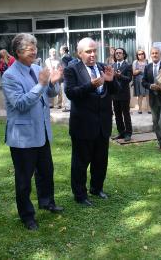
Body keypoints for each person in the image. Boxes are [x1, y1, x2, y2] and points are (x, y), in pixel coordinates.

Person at [2, 33, 64, 231]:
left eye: (35, 47)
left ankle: (47, 201)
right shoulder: (9, 75)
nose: (35, 51)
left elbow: (50, 94)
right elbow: (20, 104)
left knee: (46, 172)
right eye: (30, 48)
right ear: (19, 52)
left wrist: (54, 82)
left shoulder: (37, 68)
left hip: (42, 132)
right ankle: (27, 215)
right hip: (22, 138)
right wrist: (42, 84)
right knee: (24, 179)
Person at [64, 37, 119, 206]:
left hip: (102, 125)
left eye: (94, 50)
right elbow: (70, 93)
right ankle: (80, 195)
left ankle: (97, 188)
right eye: (88, 51)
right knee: (80, 163)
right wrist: (91, 85)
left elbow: (115, 91)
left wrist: (111, 81)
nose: (93, 54)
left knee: (100, 160)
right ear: (80, 53)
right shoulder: (72, 69)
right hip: (83, 126)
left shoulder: (103, 67)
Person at [142, 47, 161, 151]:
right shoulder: (147, 67)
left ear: (160, 55)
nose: (155, 55)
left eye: (156, 53)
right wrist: (151, 86)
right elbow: (143, 82)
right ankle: (160, 142)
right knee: (155, 122)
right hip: (153, 99)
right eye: (153, 53)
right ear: (150, 55)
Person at [111, 47, 133, 142]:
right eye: (116, 53)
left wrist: (120, 76)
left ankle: (128, 133)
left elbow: (129, 79)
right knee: (117, 114)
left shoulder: (128, 65)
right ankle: (121, 132)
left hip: (124, 94)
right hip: (115, 94)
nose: (118, 54)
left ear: (124, 54)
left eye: (120, 53)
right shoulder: (113, 65)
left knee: (126, 114)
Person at [132, 49, 149, 114]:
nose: (141, 55)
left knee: (148, 94)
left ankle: (149, 109)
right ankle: (140, 109)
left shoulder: (147, 61)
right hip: (138, 80)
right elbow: (134, 72)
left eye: (142, 54)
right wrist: (140, 70)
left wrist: (139, 70)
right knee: (140, 95)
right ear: (137, 55)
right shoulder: (135, 62)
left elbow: (149, 70)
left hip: (147, 79)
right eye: (139, 54)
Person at [60, 45, 72, 112]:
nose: (60, 51)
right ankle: (69, 106)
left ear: (64, 51)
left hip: (66, 77)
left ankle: (68, 107)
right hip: (70, 76)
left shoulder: (64, 58)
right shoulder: (70, 57)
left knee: (66, 91)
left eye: (60, 50)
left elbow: (65, 68)